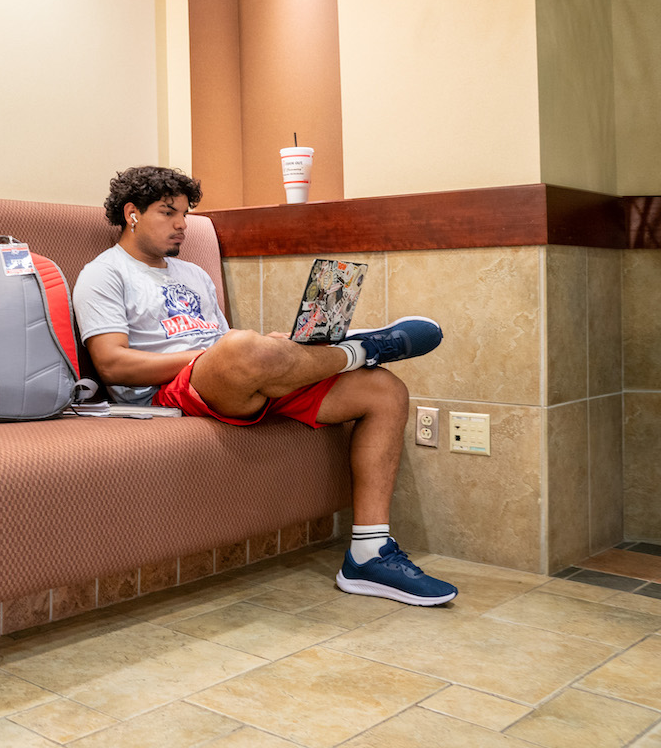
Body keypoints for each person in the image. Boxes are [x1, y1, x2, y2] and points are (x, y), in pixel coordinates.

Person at [72, 165, 457, 606]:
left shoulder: (193, 274)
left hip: (228, 380)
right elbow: (113, 366)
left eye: (185, 213)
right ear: (132, 214)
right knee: (241, 348)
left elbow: (225, 348)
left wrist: (270, 355)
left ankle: (368, 556)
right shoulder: (104, 274)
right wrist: (229, 356)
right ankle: (357, 349)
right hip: (165, 394)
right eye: (168, 213)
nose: (182, 225)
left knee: (384, 391)